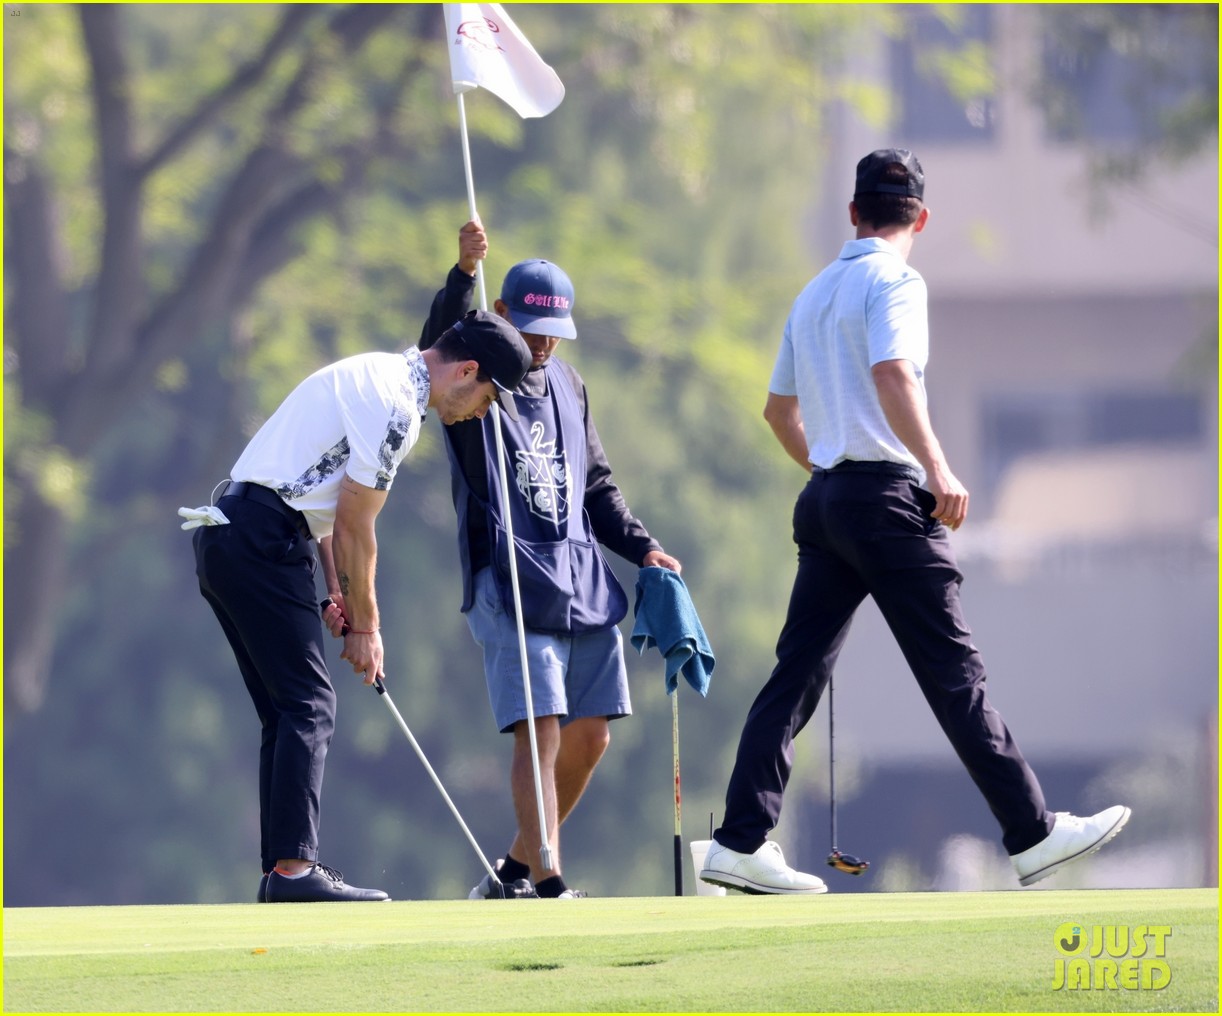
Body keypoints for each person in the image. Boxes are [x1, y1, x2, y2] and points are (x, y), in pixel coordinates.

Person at [699, 149, 1131, 895]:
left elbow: (778, 413)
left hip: (829, 500)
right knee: (954, 675)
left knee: (794, 677)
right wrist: (938, 469)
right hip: (890, 501)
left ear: (853, 212)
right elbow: (894, 374)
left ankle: (738, 840)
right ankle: (1033, 836)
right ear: (921, 218)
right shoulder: (896, 279)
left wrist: (829, 476)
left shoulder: (815, 292)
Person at [187, 310, 532, 903]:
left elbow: (320, 509)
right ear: (467, 371)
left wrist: (335, 593)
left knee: (288, 709)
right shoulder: (397, 407)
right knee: (309, 705)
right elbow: (355, 528)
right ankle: (294, 875)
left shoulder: (374, 375)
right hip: (263, 538)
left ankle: (282, 874)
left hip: (233, 535)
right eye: (486, 398)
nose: (480, 413)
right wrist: (367, 628)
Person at [416, 221, 682, 900]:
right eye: (530, 328)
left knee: (590, 738)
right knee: (539, 730)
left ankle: (510, 872)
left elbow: (595, 485)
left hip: (577, 575)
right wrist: (462, 275)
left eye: (551, 331)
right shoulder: (476, 378)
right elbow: (434, 350)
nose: (540, 344)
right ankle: (549, 879)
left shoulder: (569, 383)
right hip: (506, 574)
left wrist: (644, 546)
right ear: (501, 314)